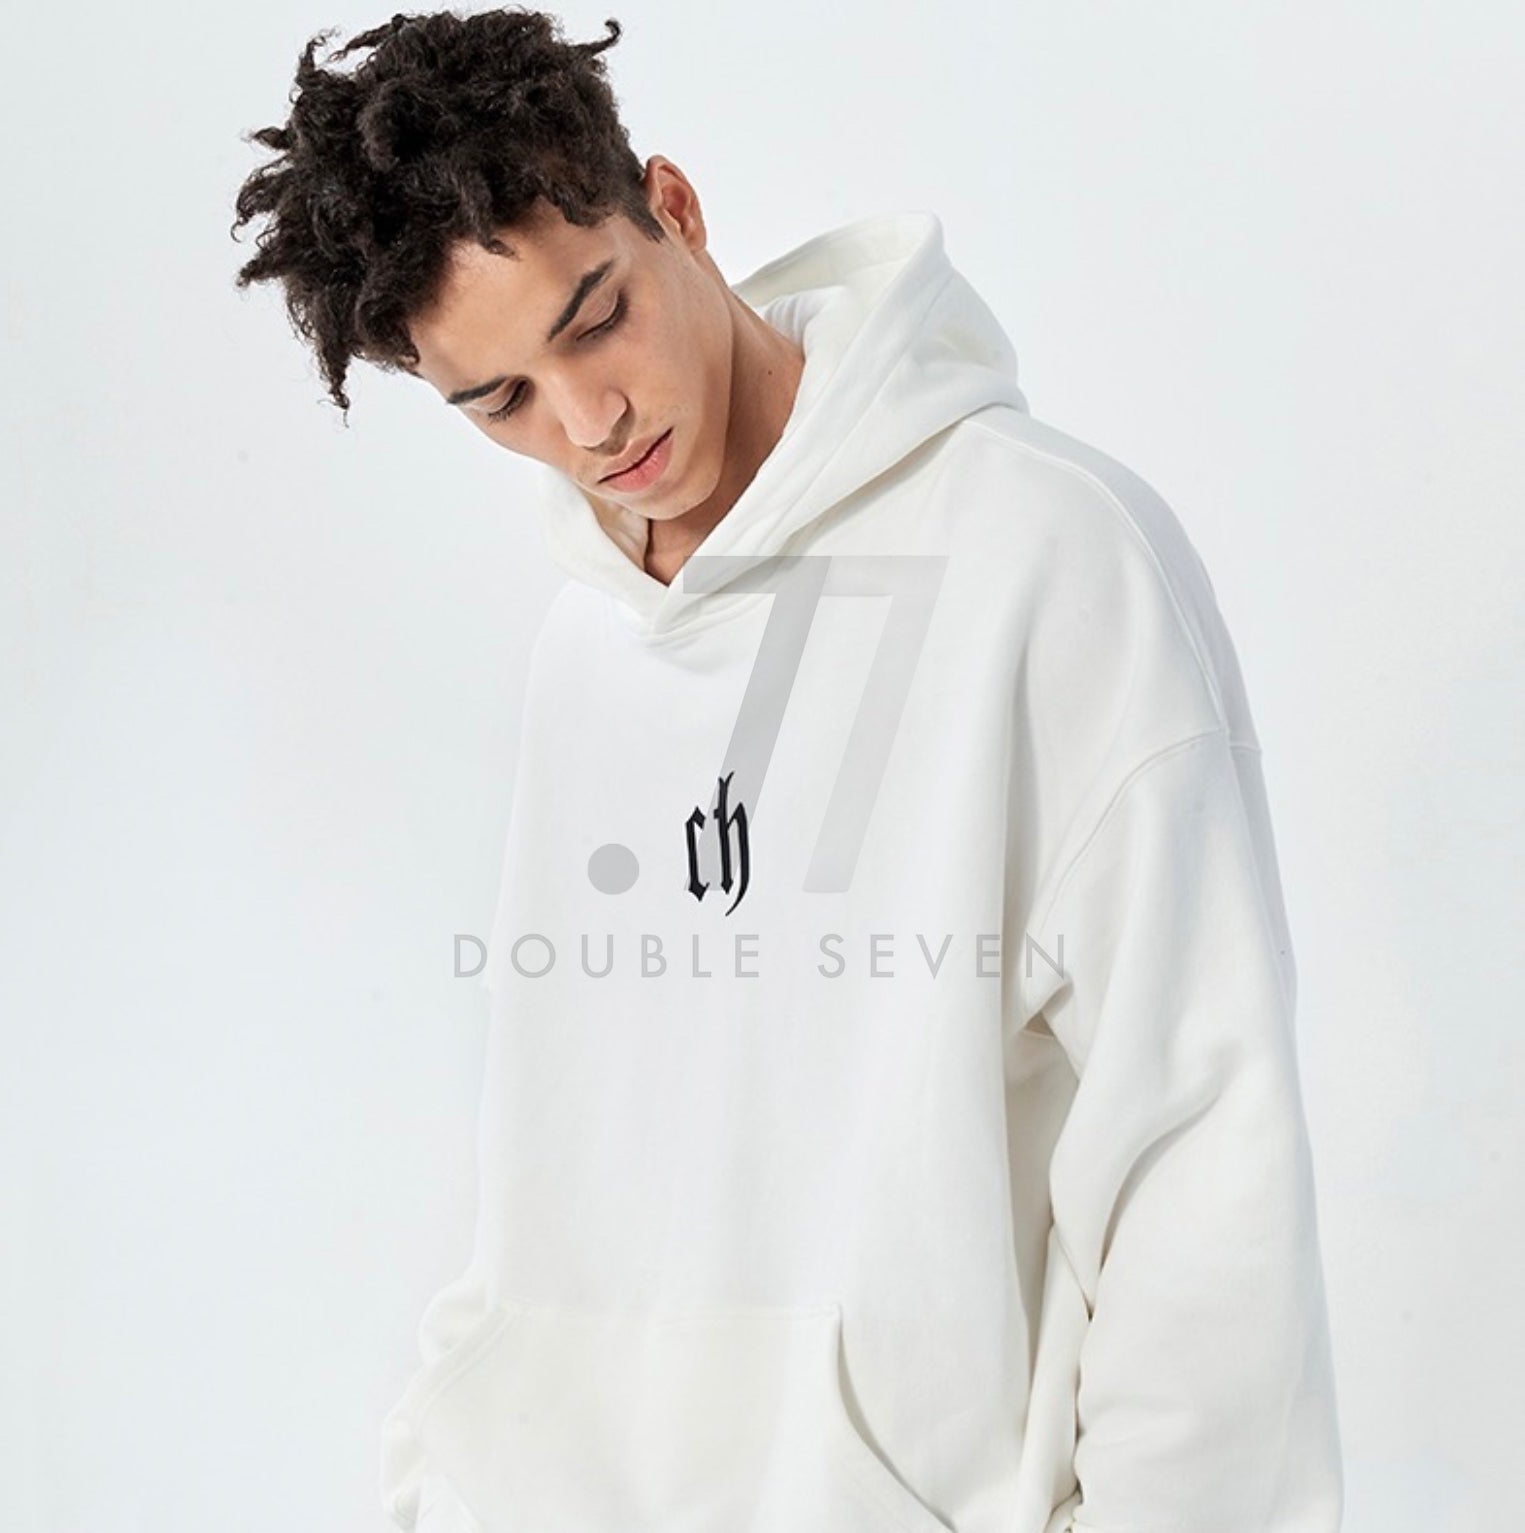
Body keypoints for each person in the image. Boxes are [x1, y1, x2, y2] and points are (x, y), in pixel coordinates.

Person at [232, 10, 1345, 1533]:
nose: (588, 423)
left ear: (674, 209)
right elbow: (551, 1171)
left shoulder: (1047, 555)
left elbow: (1197, 1150)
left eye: (594, 320)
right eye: (500, 402)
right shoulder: (589, 648)